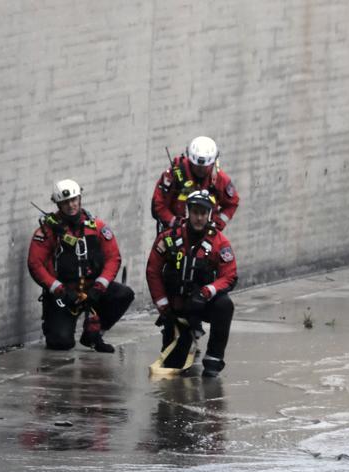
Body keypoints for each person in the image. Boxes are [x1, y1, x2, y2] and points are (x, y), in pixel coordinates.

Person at [27, 179, 134, 353]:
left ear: (79, 199)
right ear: (58, 204)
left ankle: (94, 333)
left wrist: (99, 287)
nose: (71, 205)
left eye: (73, 200)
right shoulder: (47, 231)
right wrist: (58, 289)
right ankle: (58, 325)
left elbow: (113, 257)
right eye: (65, 202)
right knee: (61, 343)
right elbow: (35, 264)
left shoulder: (97, 227)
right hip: (64, 294)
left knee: (124, 294)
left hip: (93, 290)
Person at [146, 189, 237, 377]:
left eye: (203, 213)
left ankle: (213, 359)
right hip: (176, 309)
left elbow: (229, 276)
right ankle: (184, 337)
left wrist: (207, 291)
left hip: (202, 303)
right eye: (195, 212)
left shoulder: (219, 242)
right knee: (174, 367)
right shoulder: (168, 238)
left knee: (225, 304)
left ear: (209, 215)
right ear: (188, 212)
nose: (198, 218)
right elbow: (153, 271)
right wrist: (163, 305)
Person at [151, 136, 239, 233]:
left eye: (205, 167)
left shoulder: (219, 180)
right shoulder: (176, 174)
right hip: (175, 233)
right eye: (197, 166)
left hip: (204, 235)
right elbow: (158, 204)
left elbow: (232, 203)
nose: (200, 170)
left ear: (213, 163)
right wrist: (174, 222)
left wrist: (217, 223)